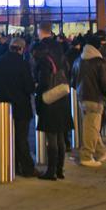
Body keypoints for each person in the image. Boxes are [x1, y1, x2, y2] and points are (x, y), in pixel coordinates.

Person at [0, 37, 36, 177]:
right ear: (21, 49)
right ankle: (27, 168)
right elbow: (29, 87)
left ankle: (11, 166)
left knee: (7, 138)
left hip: (3, 106)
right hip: (21, 106)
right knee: (21, 138)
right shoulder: (23, 64)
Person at [32, 23, 69, 180]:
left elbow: (44, 81)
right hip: (61, 94)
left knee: (51, 136)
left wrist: (39, 95)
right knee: (60, 134)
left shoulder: (43, 57)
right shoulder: (60, 48)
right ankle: (60, 169)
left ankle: (51, 171)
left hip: (50, 97)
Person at [74, 43, 106, 168]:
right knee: (91, 128)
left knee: (91, 126)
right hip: (95, 98)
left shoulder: (78, 61)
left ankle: (101, 151)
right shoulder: (100, 62)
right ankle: (86, 156)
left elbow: (73, 79)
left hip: (82, 97)